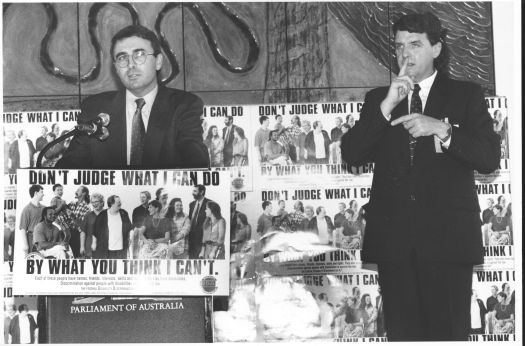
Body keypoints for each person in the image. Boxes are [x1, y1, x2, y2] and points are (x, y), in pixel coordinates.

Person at [340, 12, 500, 341]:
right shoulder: (378, 100)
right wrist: (386, 107)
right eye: (399, 46)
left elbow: (489, 157)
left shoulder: (466, 95)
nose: (405, 54)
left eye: (415, 44)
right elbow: (352, 154)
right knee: (403, 336)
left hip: (448, 242)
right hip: (394, 244)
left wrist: (443, 130)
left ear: (437, 49)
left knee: (448, 335)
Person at [56, 25, 208, 169]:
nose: (130, 64)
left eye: (139, 55)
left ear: (158, 62)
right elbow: (68, 170)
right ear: (115, 68)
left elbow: (197, 167)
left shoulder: (183, 106)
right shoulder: (95, 108)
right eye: (122, 58)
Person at [19, 185, 45, 254]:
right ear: (36, 193)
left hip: (43, 238)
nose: (43, 194)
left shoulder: (44, 208)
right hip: (31, 239)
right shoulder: (27, 209)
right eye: (41, 192)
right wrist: (26, 245)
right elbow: (23, 228)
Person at [188, 185, 211, 259]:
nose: (192, 193)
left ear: (202, 192)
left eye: (195, 191)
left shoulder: (209, 204)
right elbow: (190, 220)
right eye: (193, 191)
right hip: (191, 239)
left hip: (202, 240)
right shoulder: (191, 204)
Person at [80, 192, 105, 258]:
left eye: (96, 202)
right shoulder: (88, 215)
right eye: (92, 202)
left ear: (102, 202)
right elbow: (83, 232)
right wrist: (82, 247)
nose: (94, 204)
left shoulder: (107, 214)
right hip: (90, 247)